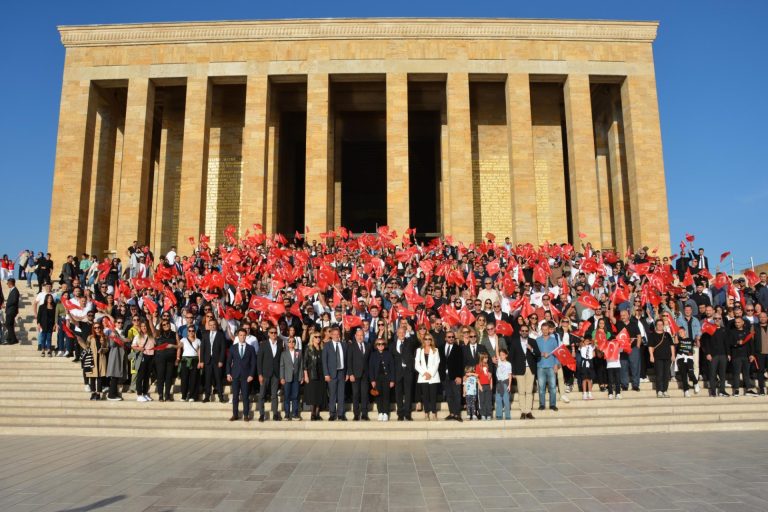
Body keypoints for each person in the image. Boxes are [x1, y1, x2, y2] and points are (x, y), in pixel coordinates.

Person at [509, 324, 538, 419]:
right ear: (520, 332)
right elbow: (511, 358)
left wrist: (531, 349)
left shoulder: (533, 341)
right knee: (521, 391)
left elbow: (538, 354)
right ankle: (522, 411)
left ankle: (528, 411)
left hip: (530, 369)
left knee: (529, 391)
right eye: (523, 331)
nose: (524, 332)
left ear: (528, 332)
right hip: (519, 369)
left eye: (526, 331)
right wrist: (512, 372)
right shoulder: (514, 342)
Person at [227, 328, 256, 421]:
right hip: (235, 375)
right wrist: (228, 373)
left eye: (244, 335)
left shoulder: (251, 348)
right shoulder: (233, 347)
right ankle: (235, 414)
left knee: (245, 396)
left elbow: (253, 363)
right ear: (237, 336)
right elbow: (228, 362)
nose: (242, 337)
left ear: (246, 336)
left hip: (246, 376)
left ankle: (246, 415)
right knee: (235, 396)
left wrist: (251, 375)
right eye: (240, 335)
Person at [391, 324, 418, 421]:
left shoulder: (409, 342)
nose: (402, 334)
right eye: (400, 333)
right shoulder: (393, 345)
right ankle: (400, 413)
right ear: (397, 334)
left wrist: (411, 332)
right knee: (398, 393)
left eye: (403, 332)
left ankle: (407, 413)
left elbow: (416, 342)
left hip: (408, 371)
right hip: (398, 372)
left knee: (408, 393)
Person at [257, 326, 283, 421]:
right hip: (265, 373)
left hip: (276, 374)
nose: (273, 334)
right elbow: (259, 361)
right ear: (268, 334)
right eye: (271, 332)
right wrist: (260, 374)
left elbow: (281, 361)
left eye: (275, 332)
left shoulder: (280, 345)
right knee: (262, 395)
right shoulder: (263, 344)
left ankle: (275, 414)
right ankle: (261, 414)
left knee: (274, 395)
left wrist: (281, 375)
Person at [322, 325, 347, 421]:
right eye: (334, 334)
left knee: (341, 394)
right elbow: (324, 361)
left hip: (342, 372)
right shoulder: (327, 345)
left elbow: (347, 360)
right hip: (331, 374)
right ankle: (332, 414)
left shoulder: (344, 345)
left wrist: (347, 373)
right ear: (331, 335)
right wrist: (326, 374)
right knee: (332, 394)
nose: (336, 336)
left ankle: (341, 414)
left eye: (338, 334)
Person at [729, 316, 758, 397]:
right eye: (736, 322)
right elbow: (730, 343)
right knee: (736, 373)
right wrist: (737, 342)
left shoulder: (747, 332)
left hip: (746, 356)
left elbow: (751, 345)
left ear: (743, 323)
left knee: (746, 373)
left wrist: (752, 354)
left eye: (738, 322)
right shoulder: (731, 332)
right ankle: (736, 390)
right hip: (736, 356)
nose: (737, 324)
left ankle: (748, 389)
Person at [439, 328, 464, 421]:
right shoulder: (440, 348)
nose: (451, 338)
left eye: (453, 337)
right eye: (449, 337)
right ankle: (452, 413)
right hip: (444, 376)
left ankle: (457, 414)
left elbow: (460, 363)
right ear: (445, 338)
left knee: (457, 394)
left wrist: (459, 376)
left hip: (455, 376)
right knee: (449, 395)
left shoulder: (458, 348)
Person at [152, 317, 179, 402]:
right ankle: (160, 395)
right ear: (161, 326)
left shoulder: (175, 334)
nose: (166, 325)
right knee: (160, 377)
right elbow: (152, 330)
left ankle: (167, 395)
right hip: (160, 358)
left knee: (169, 377)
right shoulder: (159, 333)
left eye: (167, 324)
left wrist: (177, 358)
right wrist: (150, 320)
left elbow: (179, 346)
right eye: (164, 324)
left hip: (171, 358)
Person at [346, 327, 370, 421]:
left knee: (364, 394)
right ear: (355, 336)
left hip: (365, 374)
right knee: (355, 394)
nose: (360, 337)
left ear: (364, 336)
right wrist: (350, 373)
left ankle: (364, 414)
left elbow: (369, 361)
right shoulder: (351, 346)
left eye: (362, 335)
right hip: (355, 374)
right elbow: (349, 361)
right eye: (358, 335)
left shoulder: (368, 346)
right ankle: (356, 414)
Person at [414, 332, 440, 421]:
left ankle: (434, 413)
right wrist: (424, 373)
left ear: (431, 340)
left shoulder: (435, 350)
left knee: (433, 396)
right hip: (423, 377)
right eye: (426, 339)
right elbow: (417, 364)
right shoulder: (419, 350)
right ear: (423, 340)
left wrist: (430, 374)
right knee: (425, 396)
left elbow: (437, 363)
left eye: (429, 339)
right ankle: (426, 413)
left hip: (433, 376)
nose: (428, 341)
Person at [369, 337, 395, 421]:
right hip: (377, 378)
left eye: (382, 344)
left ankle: (386, 413)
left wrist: (392, 380)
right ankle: (380, 412)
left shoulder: (388, 354)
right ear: (376, 345)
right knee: (378, 396)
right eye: (379, 344)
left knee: (386, 396)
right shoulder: (373, 355)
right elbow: (371, 368)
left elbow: (392, 368)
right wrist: (372, 380)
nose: (381, 345)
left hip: (387, 378)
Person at [200, 318, 226, 403]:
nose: (212, 326)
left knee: (218, 379)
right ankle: (207, 396)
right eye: (210, 325)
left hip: (217, 360)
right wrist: (201, 361)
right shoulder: (205, 334)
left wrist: (221, 360)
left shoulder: (220, 335)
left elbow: (223, 349)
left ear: (216, 325)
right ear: (208, 326)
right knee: (207, 379)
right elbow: (202, 348)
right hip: (207, 360)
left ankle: (220, 396)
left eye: (214, 325)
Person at [648, 319, 675, 398]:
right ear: (656, 326)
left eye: (661, 324)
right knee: (659, 374)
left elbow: (672, 345)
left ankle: (665, 390)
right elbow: (650, 346)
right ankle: (659, 390)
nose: (660, 326)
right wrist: (651, 355)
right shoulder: (652, 335)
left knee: (666, 375)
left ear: (663, 326)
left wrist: (673, 355)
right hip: (657, 357)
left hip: (667, 357)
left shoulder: (667, 334)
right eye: (658, 324)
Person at [536, 321, 559, 411]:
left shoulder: (553, 340)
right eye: (543, 329)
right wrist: (541, 354)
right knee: (541, 387)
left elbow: (557, 353)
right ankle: (542, 404)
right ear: (541, 330)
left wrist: (556, 364)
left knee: (553, 387)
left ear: (549, 330)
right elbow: (535, 352)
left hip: (551, 366)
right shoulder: (537, 340)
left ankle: (552, 404)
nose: (545, 331)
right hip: (540, 366)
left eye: (546, 329)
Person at [303, 331, 325, 421]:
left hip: (321, 374)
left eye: (319, 337)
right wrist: (306, 375)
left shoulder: (322, 348)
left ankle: (317, 413)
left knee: (320, 393)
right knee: (313, 394)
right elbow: (305, 363)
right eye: (316, 337)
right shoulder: (309, 348)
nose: (318, 338)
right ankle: (312, 414)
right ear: (312, 338)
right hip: (312, 373)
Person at [130, 320, 155, 402]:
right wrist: (139, 348)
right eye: (142, 326)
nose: (144, 328)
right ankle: (139, 394)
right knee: (140, 376)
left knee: (147, 376)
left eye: (145, 326)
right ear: (140, 328)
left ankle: (145, 393)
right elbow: (133, 346)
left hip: (150, 356)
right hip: (142, 356)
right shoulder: (137, 336)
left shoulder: (151, 336)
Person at [279, 336, 303, 420]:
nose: (291, 343)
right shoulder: (284, 353)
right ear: (287, 343)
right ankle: (287, 414)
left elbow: (301, 366)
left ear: (295, 343)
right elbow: (282, 366)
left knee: (295, 396)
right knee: (287, 396)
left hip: (296, 377)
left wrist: (301, 376)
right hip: (287, 377)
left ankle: (295, 414)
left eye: (293, 341)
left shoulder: (299, 352)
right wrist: (282, 377)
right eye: (290, 342)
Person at [674, 325, 700, 397]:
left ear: (685, 332)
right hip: (681, 358)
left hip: (689, 358)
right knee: (683, 374)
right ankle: (686, 390)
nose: (680, 333)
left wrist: (697, 339)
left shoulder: (690, 339)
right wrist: (676, 335)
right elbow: (675, 343)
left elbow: (698, 345)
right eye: (679, 332)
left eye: (681, 332)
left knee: (691, 372)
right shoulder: (679, 339)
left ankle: (696, 383)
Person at [178, 328, 201, 402]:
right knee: (184, 378)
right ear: (187, 332)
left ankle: (192, 396)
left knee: (193, 378)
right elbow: (179, 347)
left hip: (195, 360)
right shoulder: (183, 339)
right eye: (189, 331)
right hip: (185, 360)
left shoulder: (198, 340)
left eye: (193, 331)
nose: (191, 332)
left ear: (195, 332)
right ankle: (184, 396)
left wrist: (200, 362)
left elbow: (199, 352)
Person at [495, 348, 512, 420]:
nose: (501, 356)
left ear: (506, 355)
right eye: (500, 355)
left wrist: (509, 385)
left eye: (503, 355)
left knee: (506, 400)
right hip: (499, 383)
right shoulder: (499, 362)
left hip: (505, 383)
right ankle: (499, 414)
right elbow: (496, 351)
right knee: (498, 399)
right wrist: (496, 339)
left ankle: (507, 415)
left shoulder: (508, 364)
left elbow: (510, 375)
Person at [475, 352, 493, 420]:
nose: (487, 359)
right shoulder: (478, 366)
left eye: (487, 358)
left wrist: (491, 384)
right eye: (485, 358)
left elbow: (490, 376)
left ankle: (488, 414)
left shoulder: (488, 366)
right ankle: (483, 414)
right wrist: (479, 385)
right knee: (482, 400)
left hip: (488, 385)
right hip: (481, 385)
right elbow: (477, 377)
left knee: (488, 400)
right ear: (482, 358)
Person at [2, 278, 19, 345]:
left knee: (8, 324)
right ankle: (10, 339)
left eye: (7, 283)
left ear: (10, 283)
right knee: (10, 325)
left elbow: (14, 300)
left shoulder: (15, 291)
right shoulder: (13, 290)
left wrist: (6, 304)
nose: (7, 285)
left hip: (11, 310)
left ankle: (13, 339)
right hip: (10, 310)